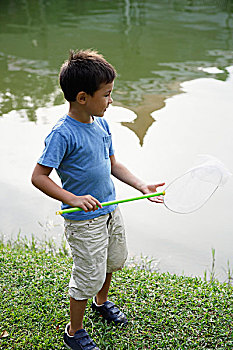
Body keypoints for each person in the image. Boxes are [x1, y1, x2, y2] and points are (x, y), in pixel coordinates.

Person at [31, 49, 165, 350]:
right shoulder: (62, 135)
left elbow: (113, 164)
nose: (111, 101)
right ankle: (74, 331)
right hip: (84, 221)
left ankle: (100, 302)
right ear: (82, 97)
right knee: (87, 275)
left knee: (113, 261)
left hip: (110, 211)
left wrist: (141, 184)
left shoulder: (102, 125)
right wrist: (73, 198)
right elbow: (38, 177)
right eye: (106, 95)